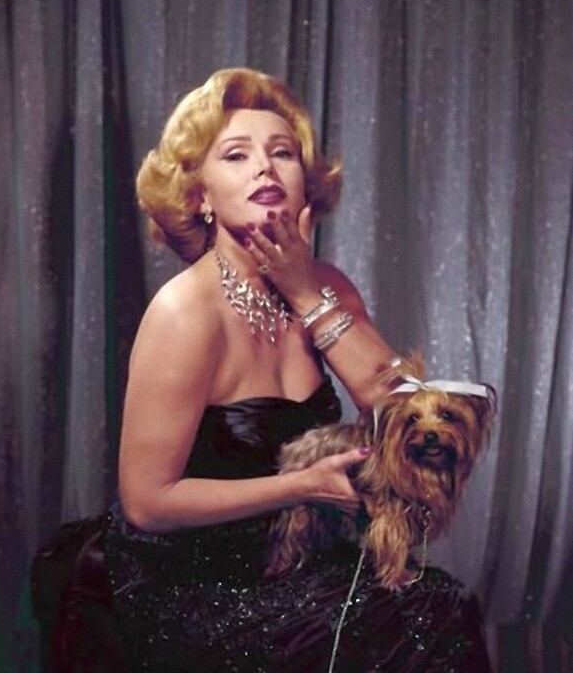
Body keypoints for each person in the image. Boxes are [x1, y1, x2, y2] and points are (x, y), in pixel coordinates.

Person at [33, 68, 491, 672]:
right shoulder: (184, 311)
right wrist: (299, 486)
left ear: (306, 185)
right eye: (236, 155)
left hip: (301, 559)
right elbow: (146, 503)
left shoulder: (326, 287)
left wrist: (304, 294)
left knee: (442, 606)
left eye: (282, 153)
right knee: (411, 626)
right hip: (196, 581)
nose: (265, 169)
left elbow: (397, 403)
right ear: (198, 195)